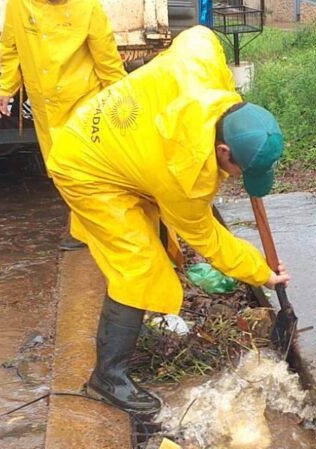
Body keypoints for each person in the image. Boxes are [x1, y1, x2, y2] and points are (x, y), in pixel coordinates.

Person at [46, 25, 290, 415]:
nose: (240, 179)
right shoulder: (185, 179)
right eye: (240, 170)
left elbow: (199, 35)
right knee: (139, 267)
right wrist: (260, 272)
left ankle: (139, 317)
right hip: (87, 168)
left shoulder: (204, 68)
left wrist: (228, 91)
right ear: (223, 149)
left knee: (154, 239)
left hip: (118, 137)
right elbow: (208, 239)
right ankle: (106, 379)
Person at [0, 0, 126, 248]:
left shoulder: (88, 7)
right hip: (45, 104)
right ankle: (90, 225)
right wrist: (6, 88)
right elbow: (10, 48)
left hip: (83, 99)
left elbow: (107, 59)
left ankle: (88, 230)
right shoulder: (19, 5)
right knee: (59, 168)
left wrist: (123, 99)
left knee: (86, 167)